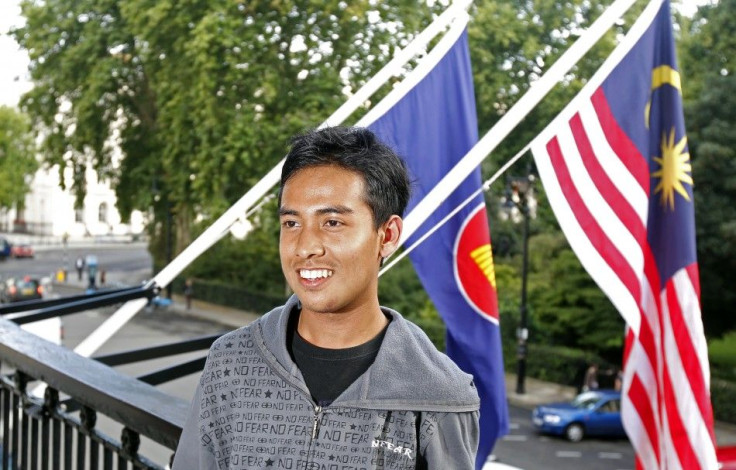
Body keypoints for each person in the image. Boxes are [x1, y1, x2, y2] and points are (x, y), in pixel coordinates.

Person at [172, 127, 480, 469]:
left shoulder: (440, 397)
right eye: (291, 223)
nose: (305, 247)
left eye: (332, 222)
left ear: (387, 235)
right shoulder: (230, 364)